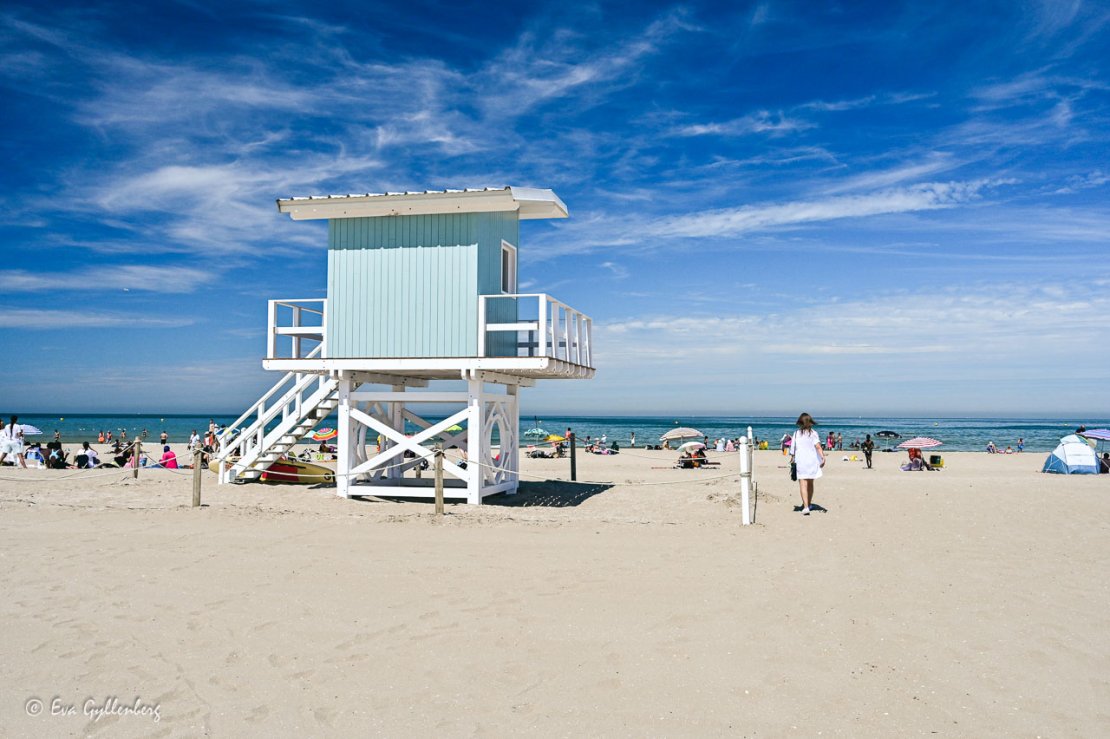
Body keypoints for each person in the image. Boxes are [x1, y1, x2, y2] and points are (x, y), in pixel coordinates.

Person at [792, 413, 826, 515]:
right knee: (810, 483)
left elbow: (793, 449)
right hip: (812, 462)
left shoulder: (796, 434)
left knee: (803, 484)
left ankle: (806, 506)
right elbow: (818, 447)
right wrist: (823, 457)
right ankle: (809, 504)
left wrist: (792, 458)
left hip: (801, 461)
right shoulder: (813, 433)